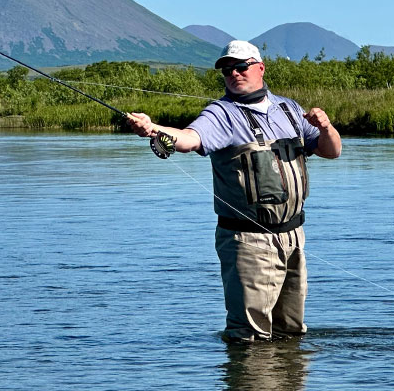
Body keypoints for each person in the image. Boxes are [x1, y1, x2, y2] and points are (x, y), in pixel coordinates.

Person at [127, 40, 342, 342]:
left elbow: (331, 152)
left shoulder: (289, 109)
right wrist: (154, 130)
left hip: (294, 236)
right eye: (227, 70)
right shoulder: (221, 114)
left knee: (291, 331)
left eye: (240, 67)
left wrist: (327, 127)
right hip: (247, 240)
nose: (234, 74)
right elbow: (190, 139)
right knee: (249, 337)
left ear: (260, 68)